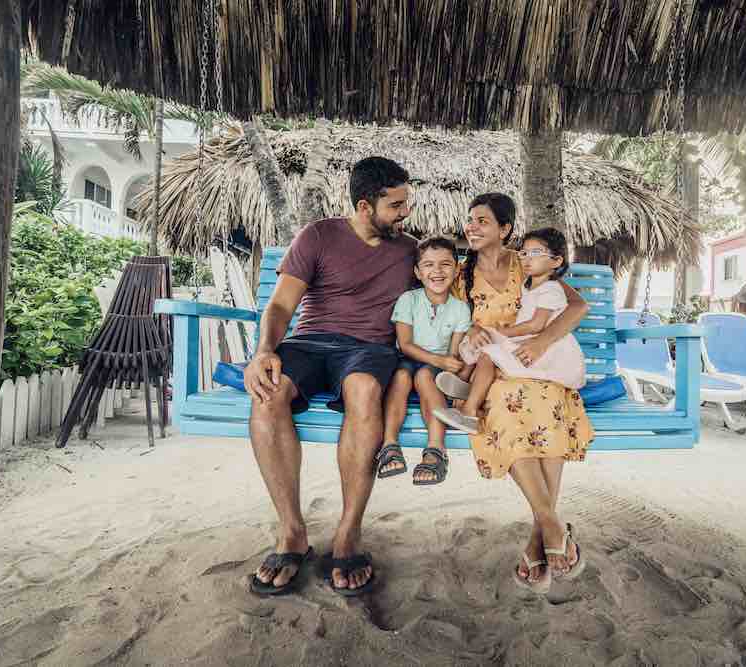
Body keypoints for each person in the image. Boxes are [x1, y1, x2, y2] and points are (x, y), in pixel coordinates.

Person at [242, 156, 416, 597]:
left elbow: (451, 284)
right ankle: (291, 533)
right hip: (311, 343)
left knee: (364, 390)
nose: (405, 213)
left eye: (405, 203)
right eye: (396, 205)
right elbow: (281, 306)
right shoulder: (318, 236)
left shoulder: (409, 250)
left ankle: (348, 533)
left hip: (370, 350)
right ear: (364, 205)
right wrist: (263, 351)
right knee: (269, 393)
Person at [442, 193, 594, 593]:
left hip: (538, 364)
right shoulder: (461, 275)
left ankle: (538, 537)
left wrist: (542, 343)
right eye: (469, 220)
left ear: (505, 229)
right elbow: (457, 326)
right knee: (508, 410)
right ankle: (552, 529)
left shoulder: (525, 263)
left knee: (542, 403)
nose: (471, 227)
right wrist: (470, 336)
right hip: (494, 369)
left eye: (481, 221)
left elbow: (576, 308)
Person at [432, 227, 585, 434]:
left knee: (489, 351)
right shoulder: (528, 282)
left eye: (483, 221)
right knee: (483, 345)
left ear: (504, 228)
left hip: (541, 347)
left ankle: (469, 409)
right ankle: (466, 386)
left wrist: (504, 332)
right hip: (524, 339)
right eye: (525, 253)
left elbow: (537, 325)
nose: (528, 259)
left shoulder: (548, 286)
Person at [377, 236, 472, 485]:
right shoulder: (409, 300)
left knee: (424, 375)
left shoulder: (461, 309)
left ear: (457, 268)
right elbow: (406, 344)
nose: (437, 271)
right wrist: (439, 360)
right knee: (401, 375)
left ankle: (436, 449)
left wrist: (447, 363)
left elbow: (452, 353)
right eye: (428, 265)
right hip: (407, 357)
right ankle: (389, 444)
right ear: (418, 272)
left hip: (435, 370)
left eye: (445, 264)